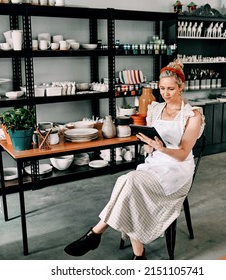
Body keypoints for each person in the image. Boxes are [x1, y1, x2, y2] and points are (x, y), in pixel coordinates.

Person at [64, 59, 205, 259]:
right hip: (155, 164)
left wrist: (161, 148)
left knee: (128, 182)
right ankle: (138, 255)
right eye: (162, 88)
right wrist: (149, 144)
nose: (165, 93)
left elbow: (182, 153)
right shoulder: (156, 109)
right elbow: (150, 146)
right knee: (127, 183)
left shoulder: (193, 114)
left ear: (182, 87)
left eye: (171, 89)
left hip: (177, 170)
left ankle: (96, 233)